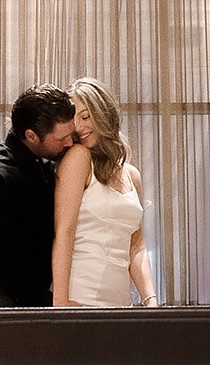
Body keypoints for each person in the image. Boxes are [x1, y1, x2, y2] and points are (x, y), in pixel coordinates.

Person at [0, 85, 75, 307]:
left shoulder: (43, 166)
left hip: (34, 296)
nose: (69, 143)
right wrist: (50, 302)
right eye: (62, 138)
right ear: (31, 136)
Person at [52, 78, 158, 308]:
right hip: (81, 296)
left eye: (86, 116)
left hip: (120, 302)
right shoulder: (78, 158)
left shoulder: (132, 175)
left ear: (104, 113)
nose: (79, 127)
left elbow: (136, 247)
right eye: (74, 119)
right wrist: (60, 303)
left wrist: (151, 300)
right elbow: (64, 232)